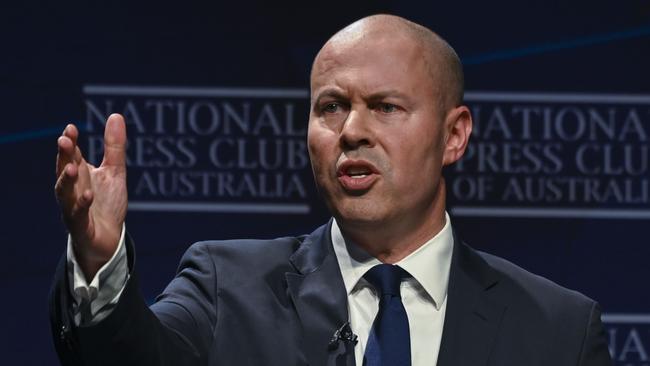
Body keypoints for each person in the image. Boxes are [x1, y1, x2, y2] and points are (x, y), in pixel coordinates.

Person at [50, 14, 612, 366]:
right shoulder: (228, 289)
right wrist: (99, 261)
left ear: (454, 135)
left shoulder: (557, 329)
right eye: (331, 107)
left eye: (385, 107)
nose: (351, 131)